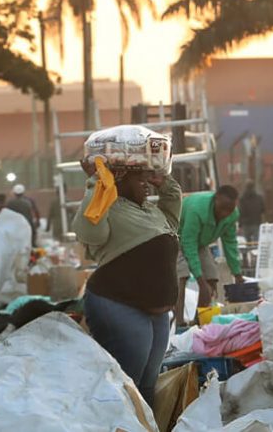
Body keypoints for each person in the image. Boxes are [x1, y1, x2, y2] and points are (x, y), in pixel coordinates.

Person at [72, 160, 182, 407]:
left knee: (147, 386)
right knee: (126, 385)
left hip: (156, 312)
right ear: (119, 180)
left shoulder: (150, 211)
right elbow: (90, 232)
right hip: (118, 305)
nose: (147, 185)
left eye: (147, 178)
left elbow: (173, 220)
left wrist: (165, 183)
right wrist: (98, 183)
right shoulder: (108, 208)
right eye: (140, 179)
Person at [176, 186, 242, 324]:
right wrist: (200, 281)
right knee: (181, 276)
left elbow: (230, 244)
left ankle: (198, 322)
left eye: (229, 210)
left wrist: (237, 274)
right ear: (215, 199)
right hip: (177, 238)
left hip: (200, 242)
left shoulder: (232, 214)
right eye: (222, 208)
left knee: (212, 278)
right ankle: (180, 324)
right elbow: (188, 244)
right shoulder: (197, 209)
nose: (225, 214)